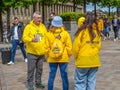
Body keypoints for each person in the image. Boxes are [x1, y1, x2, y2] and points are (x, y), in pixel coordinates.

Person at [73, 12, 101, 90]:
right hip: (94, 60)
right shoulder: (97, 32)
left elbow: (75, 48)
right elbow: (99, 47)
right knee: (91, 82)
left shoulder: (82, 31)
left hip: (83, 60)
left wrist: (76, 58)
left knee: (80, 82)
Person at [45, 16, 72, 90]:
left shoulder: (48, 34)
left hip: (52, 59)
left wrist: (49, 55)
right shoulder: (65, 33)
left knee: (51, 77)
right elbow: (69, 47)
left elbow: (46, 48)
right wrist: (67, 55)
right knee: (64, 77)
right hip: (63, 58)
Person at [22, 11, 47, 90]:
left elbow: (46, 37)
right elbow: (24, 38)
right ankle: (30, 84)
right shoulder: (28, 27)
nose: (40, 19)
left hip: (41, 53)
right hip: (32, 53)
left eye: (40, 17)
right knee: (31, 69)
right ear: (34, 18)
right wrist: (31, 39)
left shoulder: (43, 26)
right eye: (38, 18)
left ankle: (38, 82)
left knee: (40, 69)